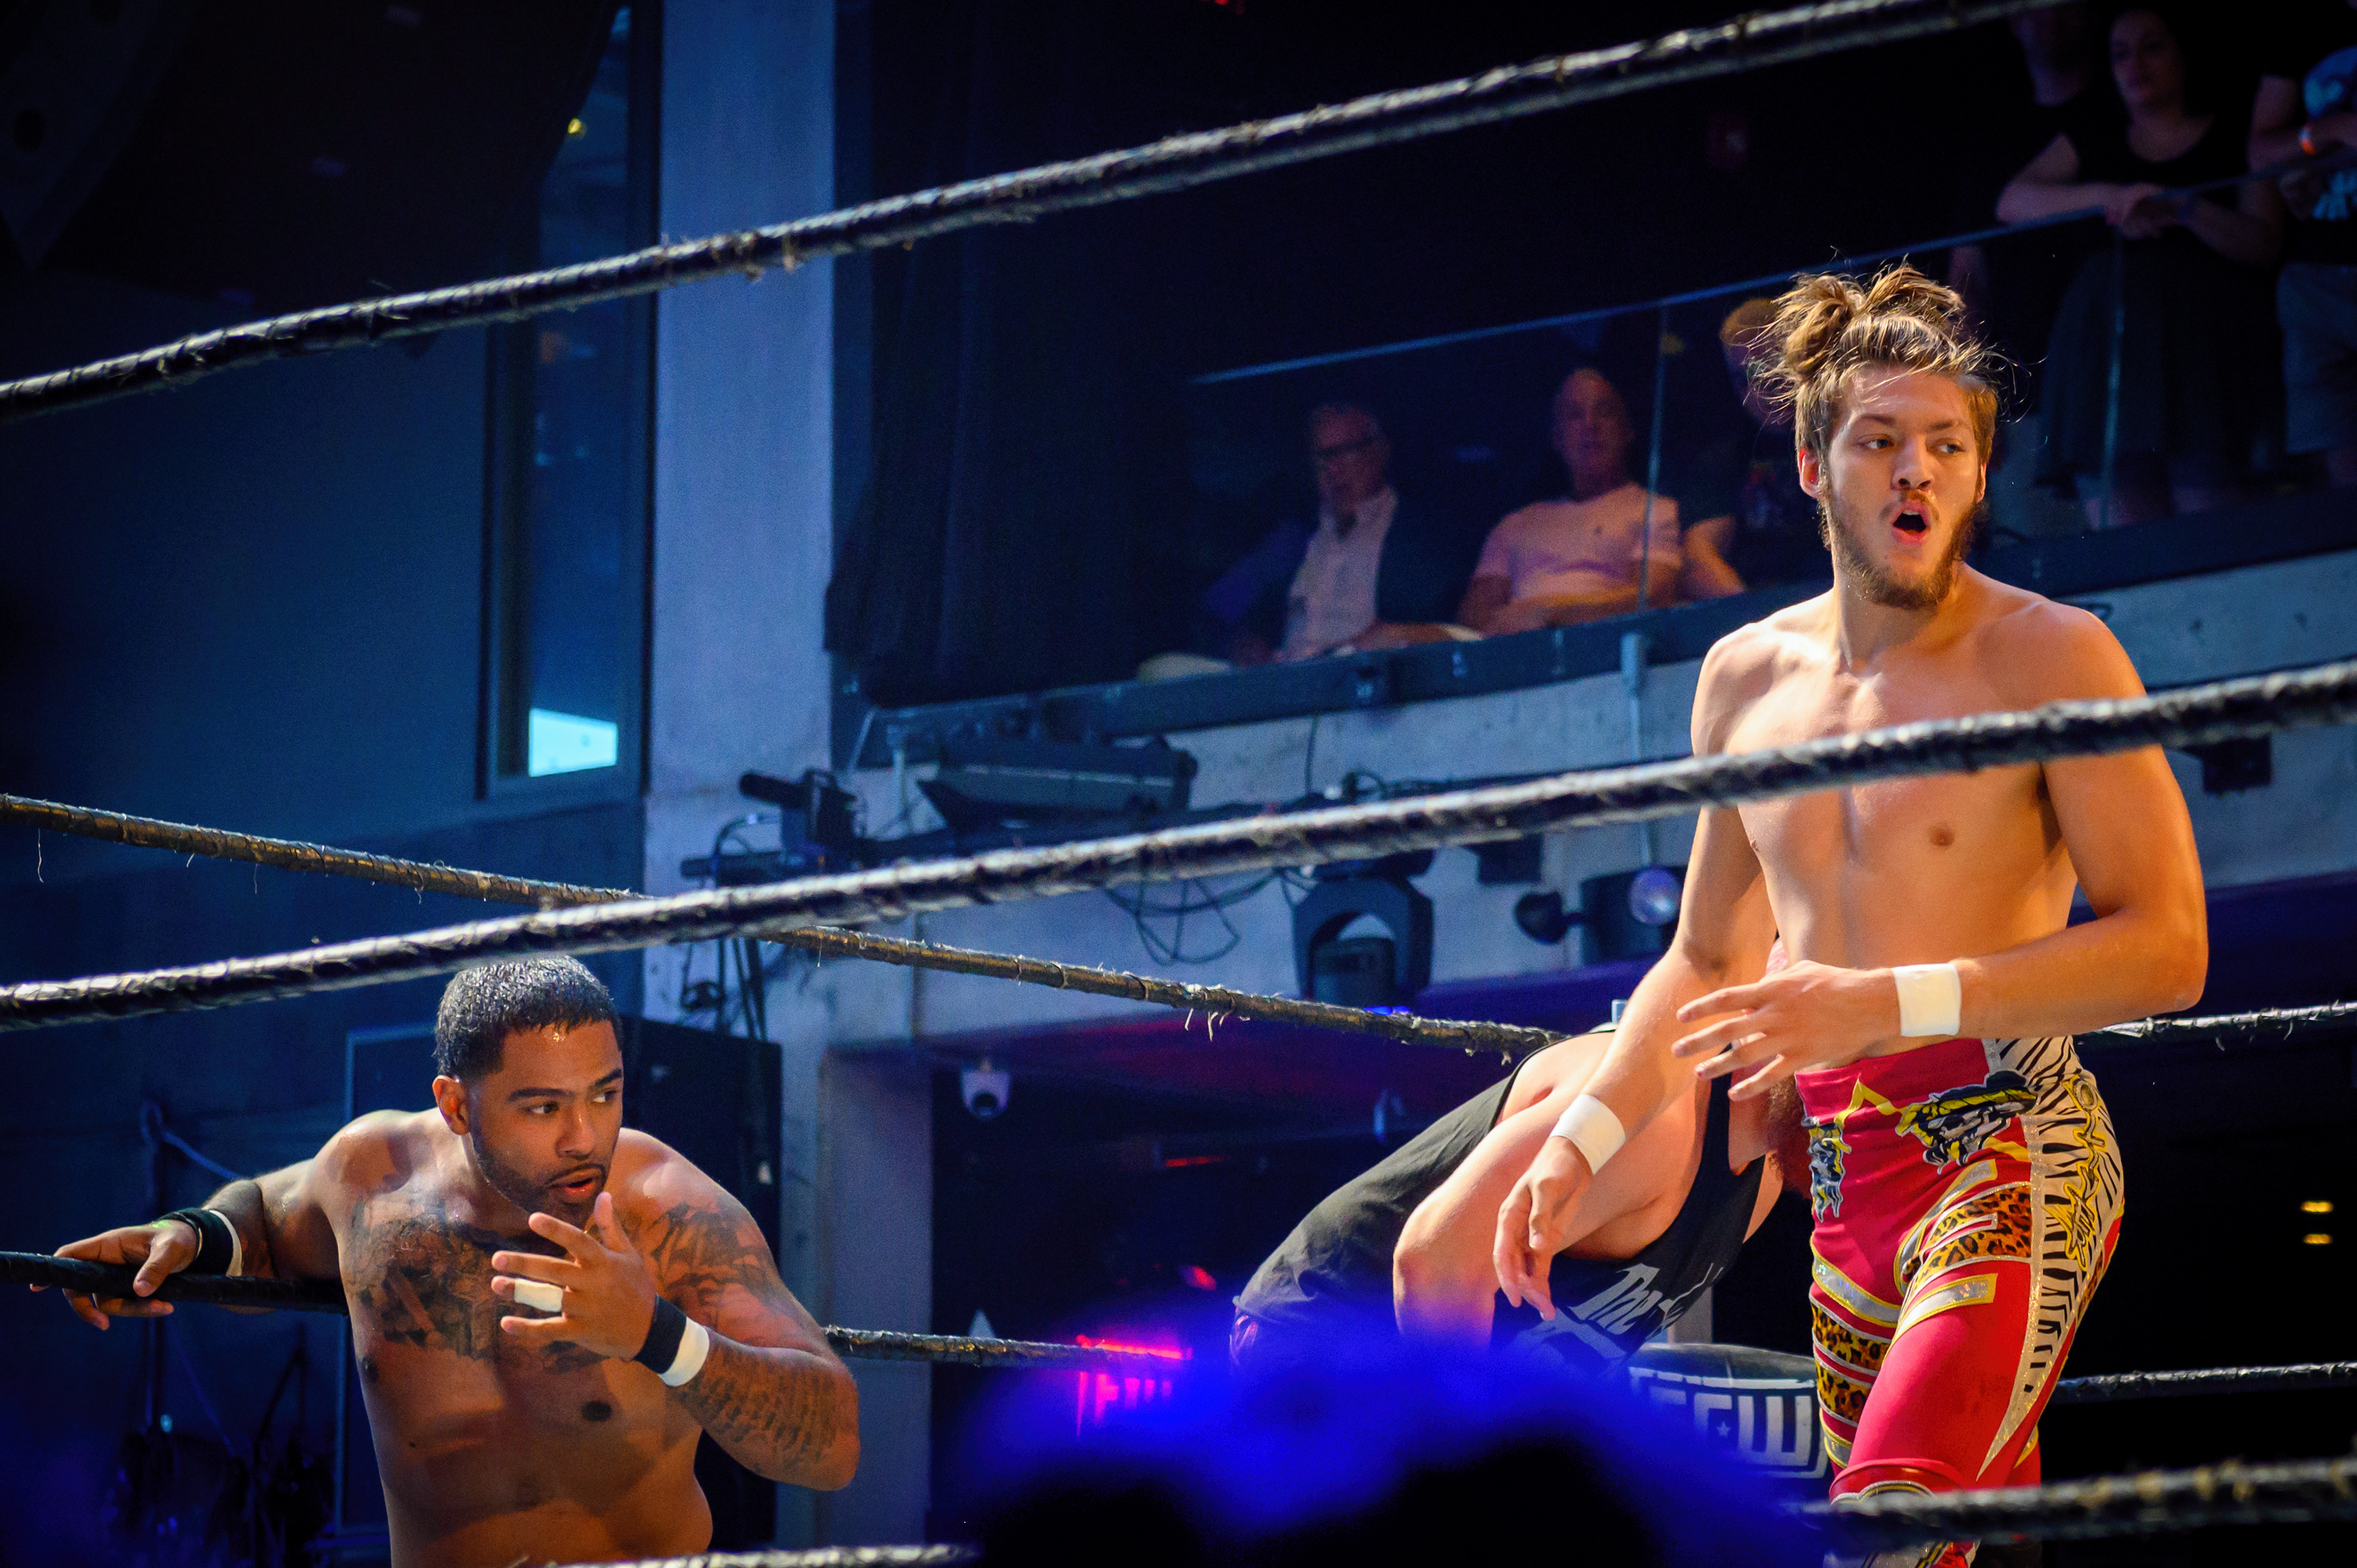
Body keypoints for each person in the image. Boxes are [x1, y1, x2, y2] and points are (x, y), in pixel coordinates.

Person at [1487, 268, 2206, 1566]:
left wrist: (1877, 1002)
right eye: (1880, 440)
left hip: (2012, 1139)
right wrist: (1579, 1143)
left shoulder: (2054, 656)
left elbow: (2170, 948)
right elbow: (1707, 957)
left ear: (1977, 473)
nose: (1916, 469)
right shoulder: (1743, 678)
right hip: (1847, 1176)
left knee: (1887, 1520)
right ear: (1815, 467)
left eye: (1948, 443)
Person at [39, 957, 859, 1568]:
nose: (584, 1136)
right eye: (544, 1106)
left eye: (605, 1094)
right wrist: (188, 1234)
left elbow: (833, 1444)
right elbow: (261, 1214)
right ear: (457, 1104)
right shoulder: (372, 1176)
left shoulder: (666, 1209)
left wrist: (658, 1334)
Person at [1232, 1004, 1803, 1374]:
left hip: (1424, 1379)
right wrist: (1467, 1466)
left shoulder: (1763, 1182)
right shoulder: (1659, 1117)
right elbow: (1436, 1261)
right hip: (1325, 1339)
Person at [1999, 6, 2283, 528]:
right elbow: (2014, 200)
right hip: (2109, 344)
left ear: (2183, 54)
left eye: (2152, 47)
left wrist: (2182, 208)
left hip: (2203, 345)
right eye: (2121, 54)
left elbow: (2264, 242)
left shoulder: (2230, 133)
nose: (2136, 65)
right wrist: (2114, 195)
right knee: (2124, 519)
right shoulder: (2097, 136)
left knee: (2211, 514)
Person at [1199, 403, 1477, 664]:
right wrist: (1242, 644)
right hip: (1288, 681)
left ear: (1380, 451)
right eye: (1323, 457)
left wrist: (1397, 636)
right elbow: (1215, 610)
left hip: (1374, 679)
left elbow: (1459, 629)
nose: (1333, 469)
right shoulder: (1292, 539)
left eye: (1347, 451)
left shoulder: (1425, 535)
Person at [1458, 368, 1682, 635]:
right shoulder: (1515, 525)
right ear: (1557, 438)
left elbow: (1653, 597)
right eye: (1575, 415)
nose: (1590, 425)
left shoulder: (1655, 510)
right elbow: (1474, 618)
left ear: (1627, 430)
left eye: (1604, 412)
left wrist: (1551, 613)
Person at [2251, 2, 2357, 488]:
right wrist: (2326, 134)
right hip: (2317, 277)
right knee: (2341, 481)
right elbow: (2261, 153)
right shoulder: (2300, 24)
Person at [1682, 299, 1832, 598]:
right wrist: (1758, 615)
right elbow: (1699, 557)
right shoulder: (1725, 459)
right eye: (1744, 379)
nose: (1759, 388)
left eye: (1767, 368)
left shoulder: (1842, 438)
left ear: (1799, 359)